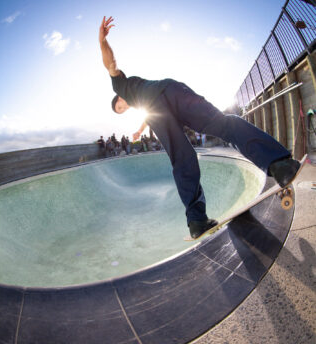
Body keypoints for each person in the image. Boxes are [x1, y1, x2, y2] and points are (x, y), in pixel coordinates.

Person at [99, 16, 301, 239]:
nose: (124, 107)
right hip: (163, 108)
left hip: (171, 93)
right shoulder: (138, 102)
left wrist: (102, 42)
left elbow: (111, 64)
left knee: (222, 124)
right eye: (121, 111)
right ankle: (197, 221)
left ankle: (278, 165)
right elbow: (149, 111)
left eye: (120, 105)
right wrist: (139, 130)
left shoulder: (122, 84)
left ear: (119, 96)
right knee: (183, 158)